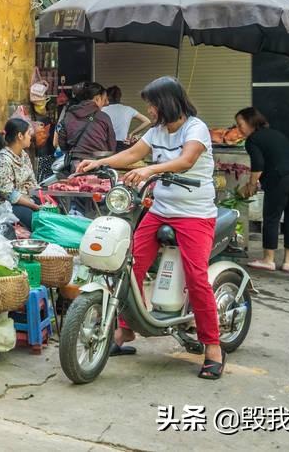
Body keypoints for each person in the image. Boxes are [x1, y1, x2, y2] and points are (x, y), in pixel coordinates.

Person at [77, 76, 225, 380]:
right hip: (159, 210)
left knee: (197, 277)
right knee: (129, 265)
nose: (149, 109)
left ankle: (212, 348)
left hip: (195, 214)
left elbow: (186, 161)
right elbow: (132, 155)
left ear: (167, 103)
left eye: (152, 103)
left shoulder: (195, 128)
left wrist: (151, 169)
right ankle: (125, 332)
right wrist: (97, 163)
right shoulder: (157, 131)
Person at [235, 108, 289, 272]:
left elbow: (258, 165)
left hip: (281, 180)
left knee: (271, 218)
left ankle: (269, 260)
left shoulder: (253, 139)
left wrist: (251, 185)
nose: (239, 129)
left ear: (251, 122)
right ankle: (288, 262)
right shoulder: (277, 134)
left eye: (240, 125)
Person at [0, 118, 40, 231]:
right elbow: (8, 193)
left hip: (24, 200)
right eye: (28, 134)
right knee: (36, 219)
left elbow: (32, 182)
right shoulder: (2, 159)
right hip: (4, 205)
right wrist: (33, 205)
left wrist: (43, 197)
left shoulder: (24, 156)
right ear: (20, 136)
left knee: (50, 209)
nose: (30, 137)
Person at [58, 82, 116, 173]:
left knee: (76, 186)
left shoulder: (69, 115)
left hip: (76, 165)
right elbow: (112, 145)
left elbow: (62, 143)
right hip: (97, 164)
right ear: (97, 98)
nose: (105, 104)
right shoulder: (103, 117)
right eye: (104, 100)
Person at [102, 86, 151, 152]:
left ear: (107, 97)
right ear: (120, 97)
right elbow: (147, 121)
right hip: (122, 144)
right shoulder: (128, 109)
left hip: (105, 143)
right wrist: (132, 133)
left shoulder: (102, 109)